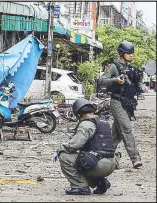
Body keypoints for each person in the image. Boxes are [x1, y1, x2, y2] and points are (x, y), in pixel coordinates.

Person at [53, 98, 116, 195]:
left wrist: (60, 149)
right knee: (84, 158)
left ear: (79, 114)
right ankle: (99, 182)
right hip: (111, 163)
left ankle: (80, 186)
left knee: (65, 156)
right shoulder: (102, 122)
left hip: (100, 165)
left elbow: (76, 144)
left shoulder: (87, 124)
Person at [98, 41, 143, 169]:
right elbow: (101, 81)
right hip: (116, 101)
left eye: (132, 53)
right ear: (122, 53)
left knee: (116, 134)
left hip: (127, 103)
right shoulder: (114, 67)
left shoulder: (130, 68)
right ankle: (135, 158)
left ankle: (105, 156)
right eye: (129, 53)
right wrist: (115, 80)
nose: (131, 55)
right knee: (127, 129)